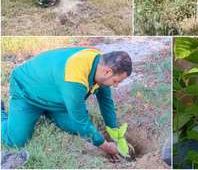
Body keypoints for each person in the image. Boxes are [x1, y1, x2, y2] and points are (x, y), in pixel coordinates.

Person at [1, 48, 132, 158]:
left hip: (57, 95)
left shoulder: (101, 64)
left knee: (75, 128)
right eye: (116, 81)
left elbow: (106, 101)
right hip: (27, 91)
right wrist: (106, 147)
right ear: (108, 71)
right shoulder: (75, 77)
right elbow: (81, 122)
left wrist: (114, 132)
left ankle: (48, 111)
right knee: (16, 141)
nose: (115, 86)